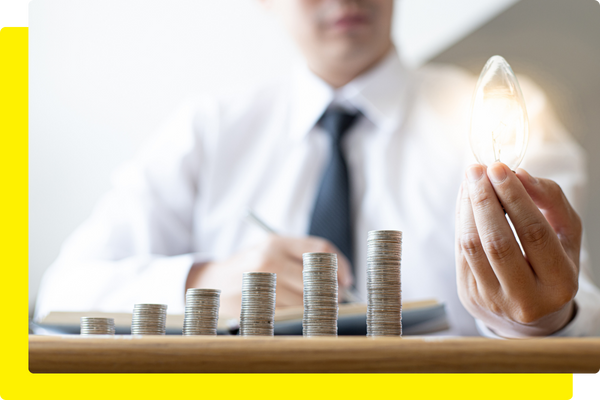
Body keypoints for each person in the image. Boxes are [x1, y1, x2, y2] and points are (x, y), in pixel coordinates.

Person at [35, 0, 600, 337]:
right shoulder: (207, 129)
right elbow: (62, 293)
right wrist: (206, 278)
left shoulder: (503, 114)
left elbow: (582, 309)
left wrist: (542, 317)